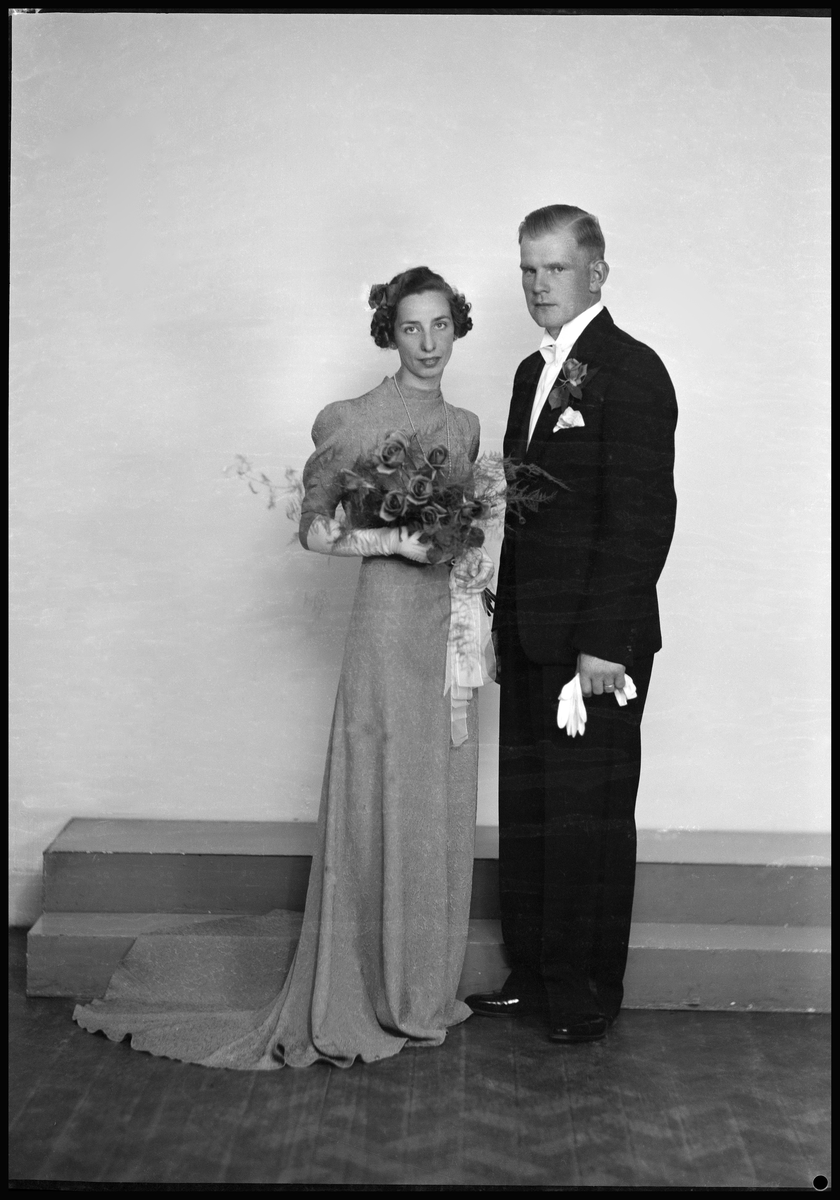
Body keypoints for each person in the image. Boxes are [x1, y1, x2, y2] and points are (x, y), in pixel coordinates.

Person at [74, 266, 492, 1069]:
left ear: (457, 327)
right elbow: (314, 530)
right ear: (389, 332)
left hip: (447, 630)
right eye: (412, 327)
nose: (429, 343)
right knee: (382, 786)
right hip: (385, 627)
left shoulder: (466, 427)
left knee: (433, 795)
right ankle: (365, 985)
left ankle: (419, 985)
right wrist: (394, 542)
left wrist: (473, 608)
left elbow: (465, 538)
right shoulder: (350, 420)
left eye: (441, 325)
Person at [466, 205, 677, 1043]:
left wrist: (602, 643)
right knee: (531, 815)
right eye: (527, 269)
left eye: (553, 268)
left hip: (595, 647)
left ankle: (585, 991)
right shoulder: (531, 372)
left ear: (596, 273)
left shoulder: (633, 370)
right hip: (529, 635)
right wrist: (500, 626)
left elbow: (641, 519)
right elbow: (524, 517)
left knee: (589, 818)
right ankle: (532, 975)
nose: (537, 285)